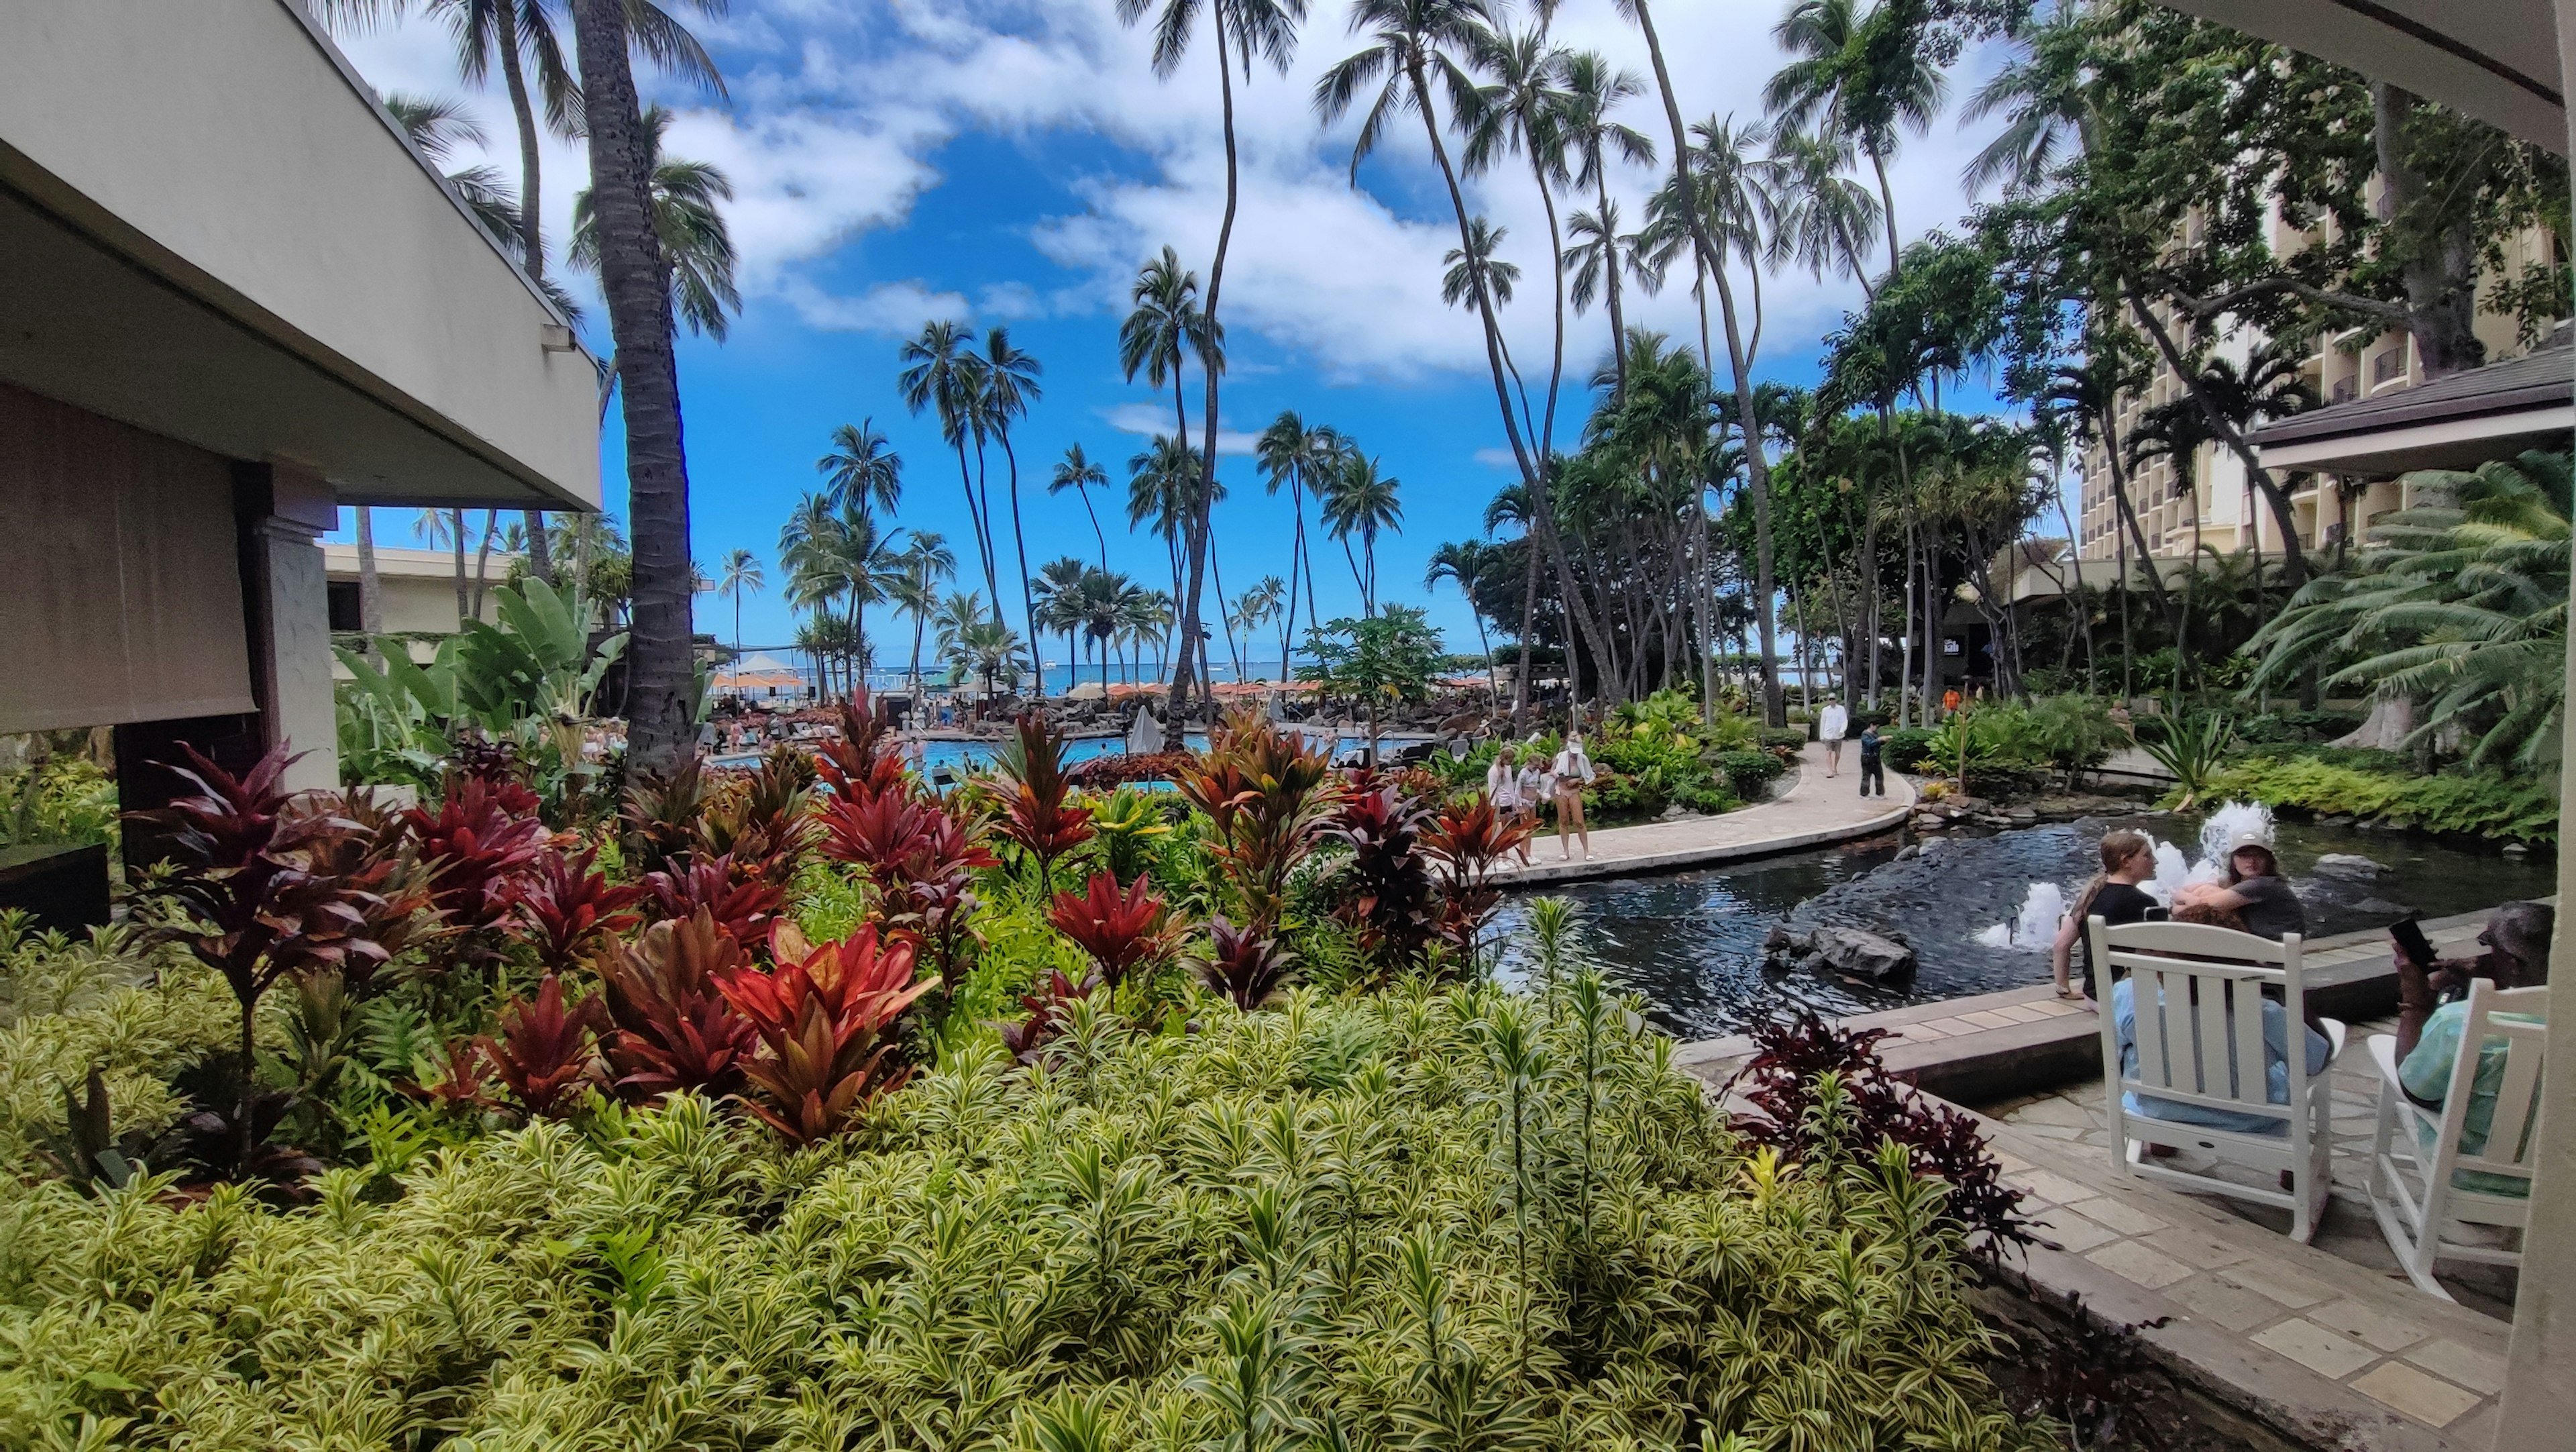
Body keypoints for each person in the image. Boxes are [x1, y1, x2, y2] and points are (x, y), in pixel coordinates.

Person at [2390, 902, 2553, 1194]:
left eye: (2489, 945)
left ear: (2513, 965)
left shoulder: (2457, 1021)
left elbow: (2415, 1089)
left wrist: (2415, 1003)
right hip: (2552, 1180)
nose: (2482, 955)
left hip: (2468, 1175)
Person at [2049, 830, 2161, 1000]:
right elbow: (2160, 958)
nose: (2155, 861)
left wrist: (2064, 989)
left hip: (2094, 997)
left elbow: (2060, 944)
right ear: (2126, 861)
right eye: (2147, 855)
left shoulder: (2091, 894)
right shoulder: (2144, 904)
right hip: (2125, 1000)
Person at [2173, 829, 2304, 940]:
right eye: (2244, 856)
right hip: (2263, 949)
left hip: (2269, 955)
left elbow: (2199, 906)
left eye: (2258, 856)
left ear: (2269, 860)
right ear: (2233, 860)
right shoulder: (2236, 881)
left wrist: (2175, 909)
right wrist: (2188, 898)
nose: (2251, 861)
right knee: (2209, 890)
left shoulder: (2263, 885)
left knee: (2210, 897)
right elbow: (2183, 891)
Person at [1551, 733, 1595, 862]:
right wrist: (1555, 774)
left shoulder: (1583, 759)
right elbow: (1552, 770)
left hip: (1574, 790)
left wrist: (1577, 780)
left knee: (1579, 821)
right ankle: (1565, 851)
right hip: (1562, 789)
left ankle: (1586, 851)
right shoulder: (1561, 757)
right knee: (1563, 821)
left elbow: (1589, 775)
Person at [1485, 749, 1531, 866]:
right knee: (1497, 833)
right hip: (1498, 804)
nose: (1511, 762)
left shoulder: (1508, 768)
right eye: (1509, 760)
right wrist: (1493, 806)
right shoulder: (1494, 771)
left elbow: (1510, 786)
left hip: (1508, 803)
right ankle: (1496, 860)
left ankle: (1505, 859)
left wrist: (1514, 802)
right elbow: (1492, 789)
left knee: (1506, 832)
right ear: (1503, 758)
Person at [1817, 695, 1849, 778]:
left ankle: (1835, 768)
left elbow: (1844, 721)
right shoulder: (1825, 710)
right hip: (1828, 735)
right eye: (1830, 699)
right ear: (1828, 700)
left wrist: (1842, 730)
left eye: (1833, 699)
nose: (1832, 701)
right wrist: (1822, 736)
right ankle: (1830, 771)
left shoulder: (1841, 709)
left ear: (1836, 700)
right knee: (1829, 752)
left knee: (1838, 754)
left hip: (1838, 735)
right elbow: (1823, 723)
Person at [1856, 723, 1884, 798]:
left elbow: (1877, 744)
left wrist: (1883, 740)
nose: (1876, 728)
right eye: (1875, 726)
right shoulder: (1865, 734)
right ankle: (1864, 794)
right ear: (1871, 725)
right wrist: (1878, 740)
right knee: (1866, 776)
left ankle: (1880, 793)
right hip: (1867, 758)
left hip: (1876, 757)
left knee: (1879, 776)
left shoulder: (1875, 734)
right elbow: (1869, 744)